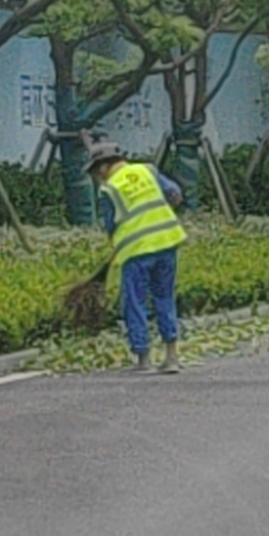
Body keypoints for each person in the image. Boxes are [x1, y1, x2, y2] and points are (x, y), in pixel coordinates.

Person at [85, 140, 186, 373]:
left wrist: (117, 243)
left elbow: (111, 225)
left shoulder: (108, 189)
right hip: (167, 241)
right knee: (164, 297)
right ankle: (171, 357)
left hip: (136, 250)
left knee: (135, 302)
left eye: (96, 172)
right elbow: (175, 194)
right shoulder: (148, 170)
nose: (97, 177)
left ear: (103, 166)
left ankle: (143, 359)